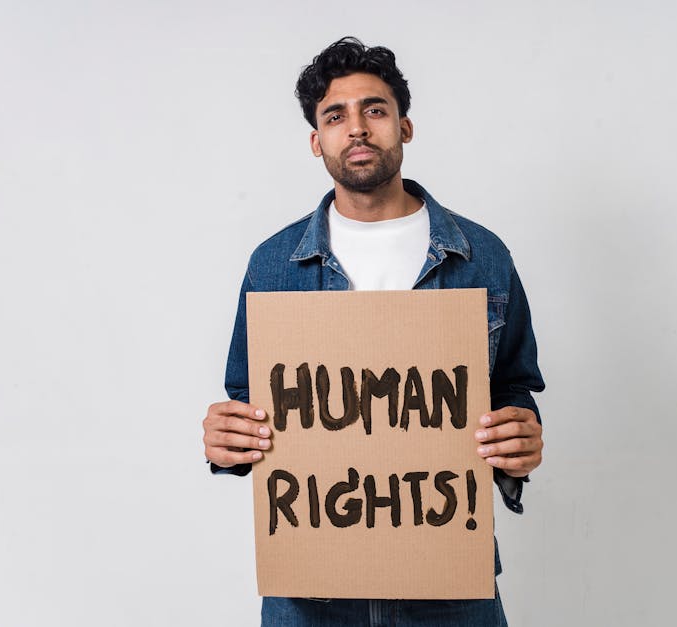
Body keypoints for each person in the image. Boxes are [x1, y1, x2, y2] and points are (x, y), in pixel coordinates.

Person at [202, 36, 545, 626]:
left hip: (449, 589)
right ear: (317, 141)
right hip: (311, 594)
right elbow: (249, 403)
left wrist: (521, 441)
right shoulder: (273, 264)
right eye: (335, 116)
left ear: (404, 128)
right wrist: (227, 443)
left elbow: (512, 387)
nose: (356, 128)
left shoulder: (482, 257)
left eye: (375, 110)